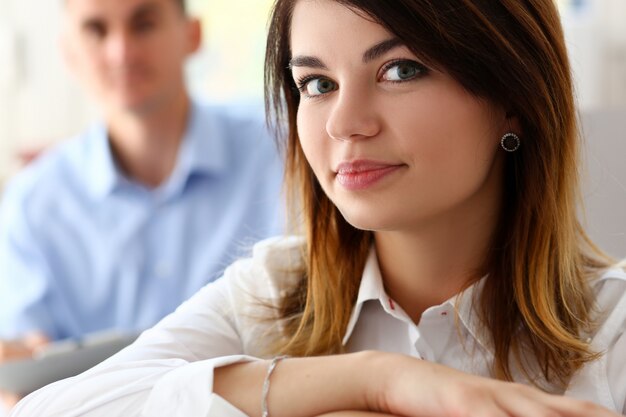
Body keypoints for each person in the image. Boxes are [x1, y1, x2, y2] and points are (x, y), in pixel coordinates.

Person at [10, 0, 626, 415]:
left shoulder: (612, 328)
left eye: (400, 70)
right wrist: (377, 380)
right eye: (317, 84)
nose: (344, 124)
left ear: (513, 96)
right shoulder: (275, 290)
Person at [0, 0, 283, 408]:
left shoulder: (280, 149)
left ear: (193, 35)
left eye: (144, 23)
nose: (121, 52)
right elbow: (23, 382)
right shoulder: (32, 205)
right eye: (96, 30)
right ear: (68, 53)